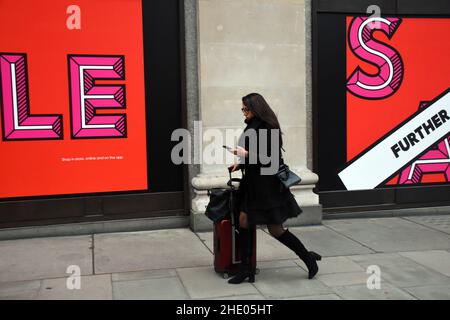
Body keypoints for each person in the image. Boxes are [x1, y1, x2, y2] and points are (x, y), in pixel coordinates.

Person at [227, 93, 321, 284]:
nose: (243, 112)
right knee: (243, 221)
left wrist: (245, 153)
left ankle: (308, 258)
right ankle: (246, 269)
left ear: (256, 109)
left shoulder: (269, 128)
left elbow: (270, 159)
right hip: (252, 184)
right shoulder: (252, 126)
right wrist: (241, 163)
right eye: (242, 109)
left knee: (275, 229)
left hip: (267, 187)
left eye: (246, 109)